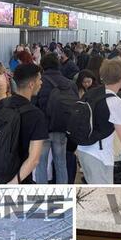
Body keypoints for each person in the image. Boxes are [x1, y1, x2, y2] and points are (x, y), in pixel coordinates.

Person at [0, 63, 46, 184]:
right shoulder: (36, 115)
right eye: (39, 79)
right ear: (31, 84)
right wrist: (14, 182)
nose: (41, 83)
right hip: (19, 179)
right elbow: (34, 159)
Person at [35, 53, 76, 185]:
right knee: (61, 162)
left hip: (43, 130)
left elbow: (34, 106)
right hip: (62, 128)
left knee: (41, 164)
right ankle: (63, 193)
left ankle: (43, 195)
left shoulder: (40, 83)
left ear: (42, 66)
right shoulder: (69, 84)